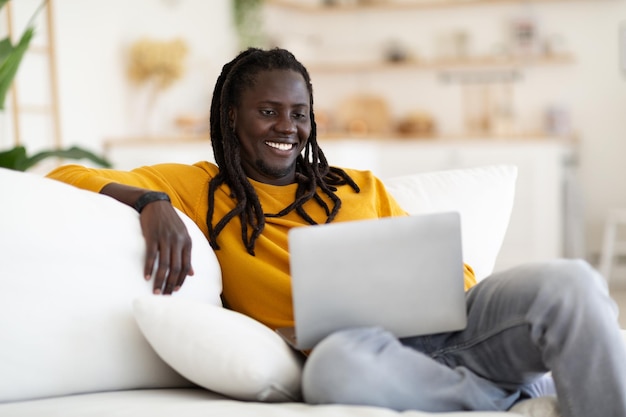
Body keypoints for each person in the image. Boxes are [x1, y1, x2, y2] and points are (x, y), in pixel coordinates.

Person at [47, 47, 626, 417]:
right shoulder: (202, 188)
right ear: (231, 118)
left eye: (298, 113)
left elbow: (454, 274)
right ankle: (513, 397)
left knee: (570, 282)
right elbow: (65, 173)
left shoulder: (359, 185)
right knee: (331, 369)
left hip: (453, 328)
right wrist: (150, 203)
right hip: (362, 352)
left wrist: (447, 287)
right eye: (267, 111)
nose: (287, 127)